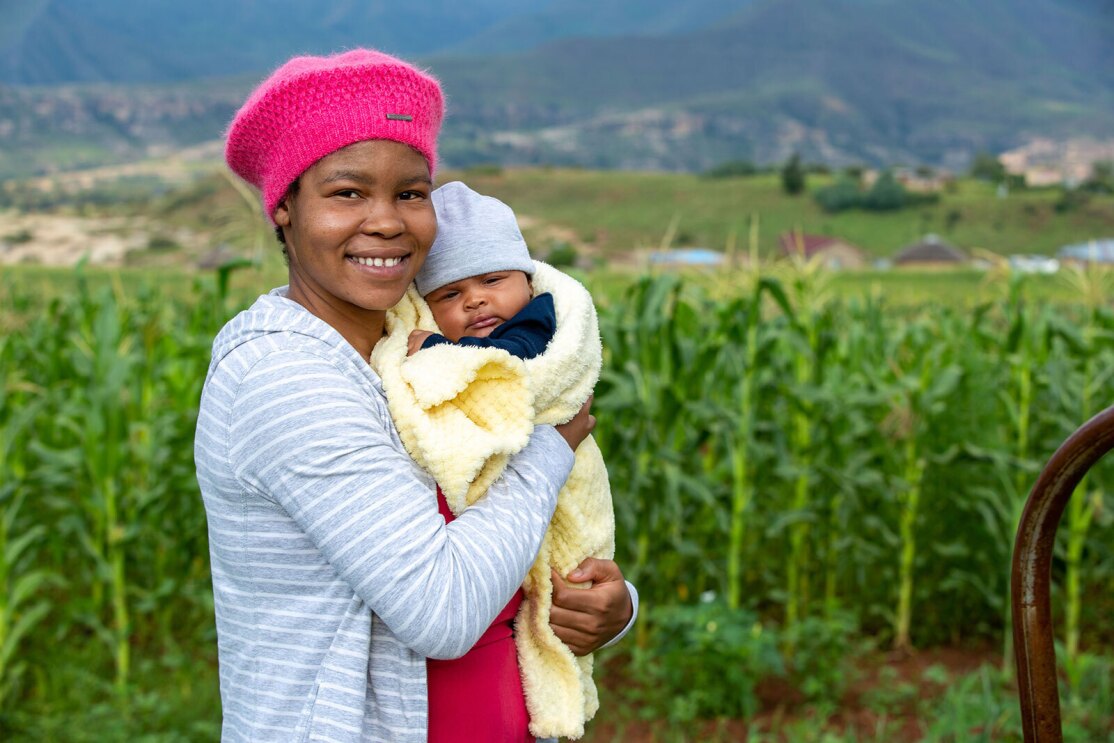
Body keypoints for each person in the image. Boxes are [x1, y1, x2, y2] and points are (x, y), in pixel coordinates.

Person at [195, 49, 635, 742]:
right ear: (283, 207)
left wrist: (610, 604)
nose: (389, 221)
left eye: (410, 192)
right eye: (347, 193)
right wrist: (549, 448)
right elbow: (444, 608)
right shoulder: (285, 377)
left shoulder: (423, 358)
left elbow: (506, 532)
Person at [371, 181, 616, 739]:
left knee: (561, 593)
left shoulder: (536, 324)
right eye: (450, 296)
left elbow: (506, 371)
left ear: (527, 284)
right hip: (463, 670)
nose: (475, 301)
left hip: (551, 508)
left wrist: (435, 356)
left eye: (491, 281)